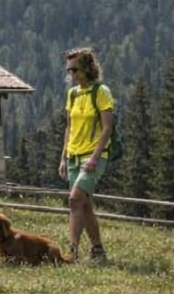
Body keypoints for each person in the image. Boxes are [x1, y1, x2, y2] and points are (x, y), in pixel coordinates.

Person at [58, 47, 114, 262]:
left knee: (74, 200)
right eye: (69, 70)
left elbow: (107, 128)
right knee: (84, 203)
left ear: (88, 68)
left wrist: (95, 157)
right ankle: (98, 250)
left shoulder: (101, 92)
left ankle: (71, 251)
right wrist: (63, 157)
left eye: (75, 69)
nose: (71, 75)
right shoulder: (72, 94)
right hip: (73, 155)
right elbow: (68, 127)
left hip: (93, 156)